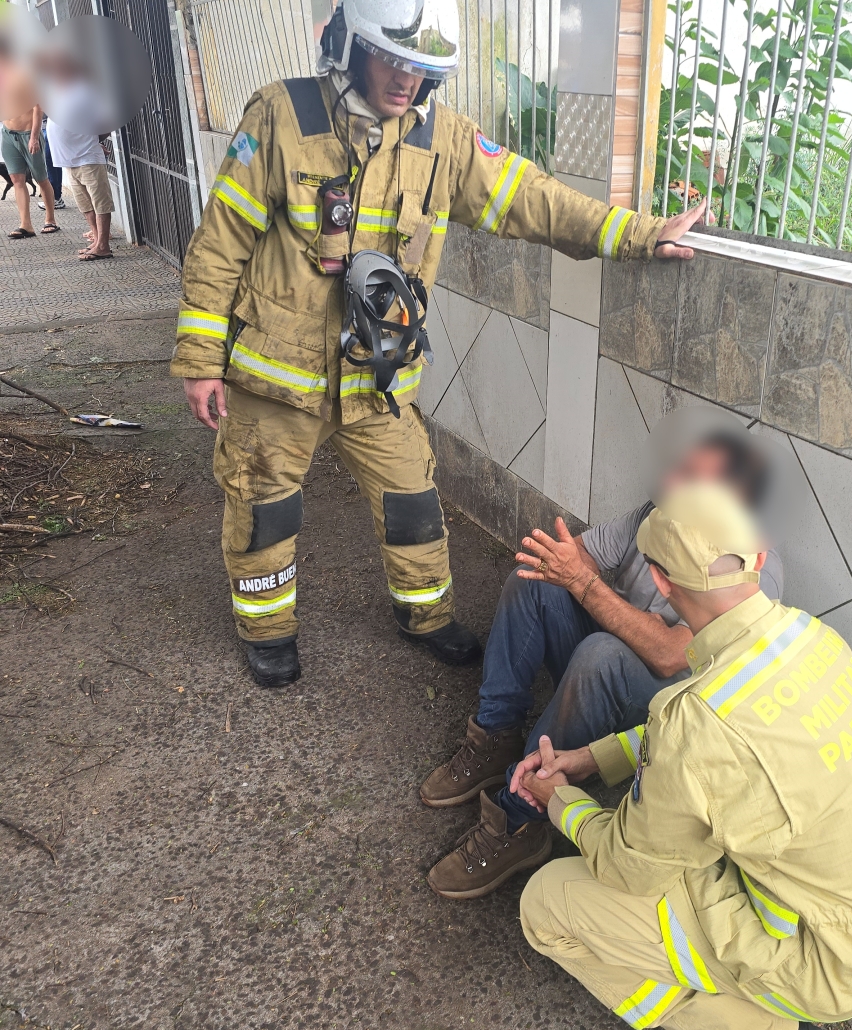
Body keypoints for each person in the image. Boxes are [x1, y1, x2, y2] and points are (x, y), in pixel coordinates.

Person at [171, 0, 705, 689]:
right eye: (392, 59)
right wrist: (201, 361)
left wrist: (639, 234)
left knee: (414, 502)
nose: (407, 80)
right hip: (278, 376)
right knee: (263, 505)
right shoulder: (282, 116)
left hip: (376, 380)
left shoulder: (444, 139)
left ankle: (425, 618)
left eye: (422, 68)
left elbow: (534, 199)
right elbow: (220, 243)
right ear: (350, 46)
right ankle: (267, 632)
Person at [512, 482, 852, 1030]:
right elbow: (717, 747)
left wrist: (561, 800)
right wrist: (593, 758)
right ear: (757, 557)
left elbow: (627, 865)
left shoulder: (697, 723)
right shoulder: (810, 636)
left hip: (821, 961)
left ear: (660, 583)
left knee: (548, 903)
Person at [424, 418, 784, 899]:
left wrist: (589, 588)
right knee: (535, 584)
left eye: (690, 475)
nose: (671, 479)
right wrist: (578, 578)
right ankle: (496, 735)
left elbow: (670, 656)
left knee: (602, 655)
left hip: (665, 717)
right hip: (615, 660)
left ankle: (520, 819)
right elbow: (579, 556)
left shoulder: (751, 565)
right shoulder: (654, 515)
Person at [46, 116, 112, 260]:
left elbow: (108, 121)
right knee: (85, 205)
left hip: (88, 157)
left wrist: (93, 141)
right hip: (69, 161)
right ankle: (97, 240)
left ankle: (103, 246)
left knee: (100, 203)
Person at [2, 100, 58, 239]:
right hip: (8, 134)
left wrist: (34, 137)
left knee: (41, 178)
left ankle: (50, 220)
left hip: (28, 134)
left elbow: (38, 108)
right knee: (16, 180)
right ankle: (25, 225)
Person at [38, 116, 65, 210]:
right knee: (53, 163)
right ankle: (56, 197)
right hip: (48, 127)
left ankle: (54, 198)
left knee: (50, 163)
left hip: (48, 127)